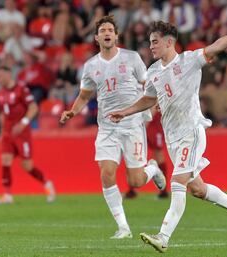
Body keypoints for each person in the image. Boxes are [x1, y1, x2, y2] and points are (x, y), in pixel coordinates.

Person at [108, 19, 227, 252]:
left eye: (155, 42)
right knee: (197, 189)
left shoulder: (189, 61)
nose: (151, 47)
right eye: (150, 42)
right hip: (173, 138)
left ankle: (163, 237)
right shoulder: (154, 72)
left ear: (170, 42)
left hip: (192, 130)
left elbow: (217, 46)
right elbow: (150, 99)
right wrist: (126, 112)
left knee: (177, 182)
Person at [59, 15, 166, 239]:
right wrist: (73, 111)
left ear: (116, 35)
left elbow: (148, 84)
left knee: (135, 182)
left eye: (110, 29)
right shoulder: (91, 66)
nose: (107, 33)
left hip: (132, 124)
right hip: (107, 127)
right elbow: (84, 95)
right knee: (107, 174)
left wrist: (157, 104)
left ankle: (153, 168)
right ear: (97, 37)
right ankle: (123, 228)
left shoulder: (132, 58)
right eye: (103, 30)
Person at [0, 66, 56, 204]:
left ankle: (47, 184)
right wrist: (1, 133)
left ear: (8, 74)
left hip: (22, 133)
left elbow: (33, 107)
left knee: (27, 166)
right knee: (5, 160)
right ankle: (7, 195)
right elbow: (3, 114)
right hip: (7, 133)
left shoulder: (21, 89)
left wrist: (24, 122)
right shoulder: (0, 92)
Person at [125, 105, 169, 199]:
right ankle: (131, 190)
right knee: (133, 153)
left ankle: (164, 191)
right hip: (139, 119)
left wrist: (147, 120)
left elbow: (154, 97)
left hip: (152, 121)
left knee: (158, 153)